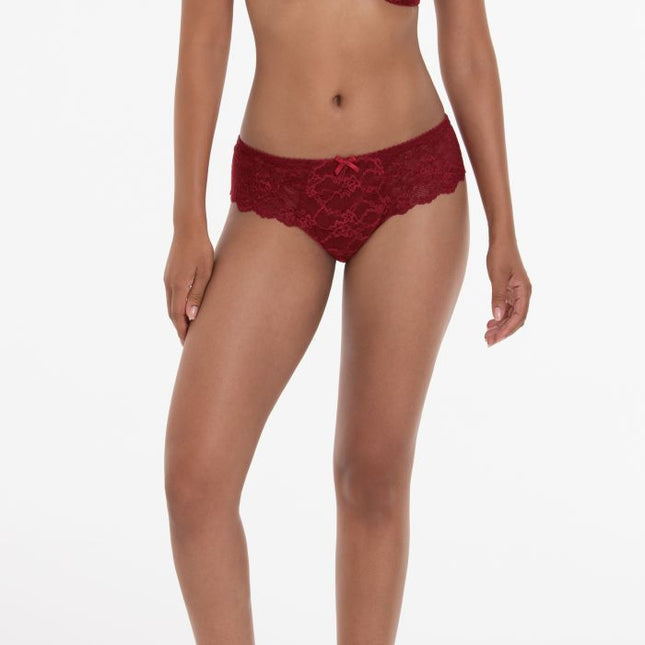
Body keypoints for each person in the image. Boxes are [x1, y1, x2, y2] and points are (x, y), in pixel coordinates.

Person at [162, 0, 532, 642]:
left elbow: (468, 46)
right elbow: (203, 40)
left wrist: (505, 228)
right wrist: (186, 219)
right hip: (276, 193)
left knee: (371, 476)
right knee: (195, 481)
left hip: (413, 185)